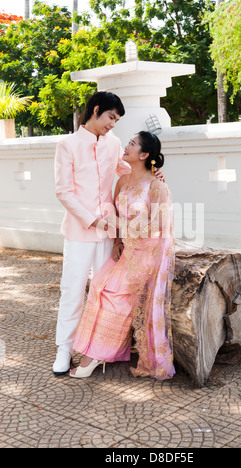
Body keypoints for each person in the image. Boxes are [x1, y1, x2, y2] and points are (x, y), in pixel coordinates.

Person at [53, 92, 164, 376]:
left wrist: (155, 173)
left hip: (109, 233)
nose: (113, 124)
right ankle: (64, 349)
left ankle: (96, 349)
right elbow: (63, 192)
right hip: (80, 231)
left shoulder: (113, 144)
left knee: (103, 292)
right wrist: (93, 221)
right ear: (97, 110)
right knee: (72, 291)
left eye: (117, 120)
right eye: (111, 117)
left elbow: (130, 170)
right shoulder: (67, 145)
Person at [70, 131, 176, 381]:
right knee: (97, 284)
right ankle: (98, 350)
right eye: (127, 142)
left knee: (115, 295)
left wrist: (121, 228)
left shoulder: (157, 186)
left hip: (148, 253)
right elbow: (117, 213)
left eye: (132, 144)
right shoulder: (123, 181)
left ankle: (95, 356)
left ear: (144, 154)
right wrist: (118, 240)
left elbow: (160, 225)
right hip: (128, 249)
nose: (126, 146)